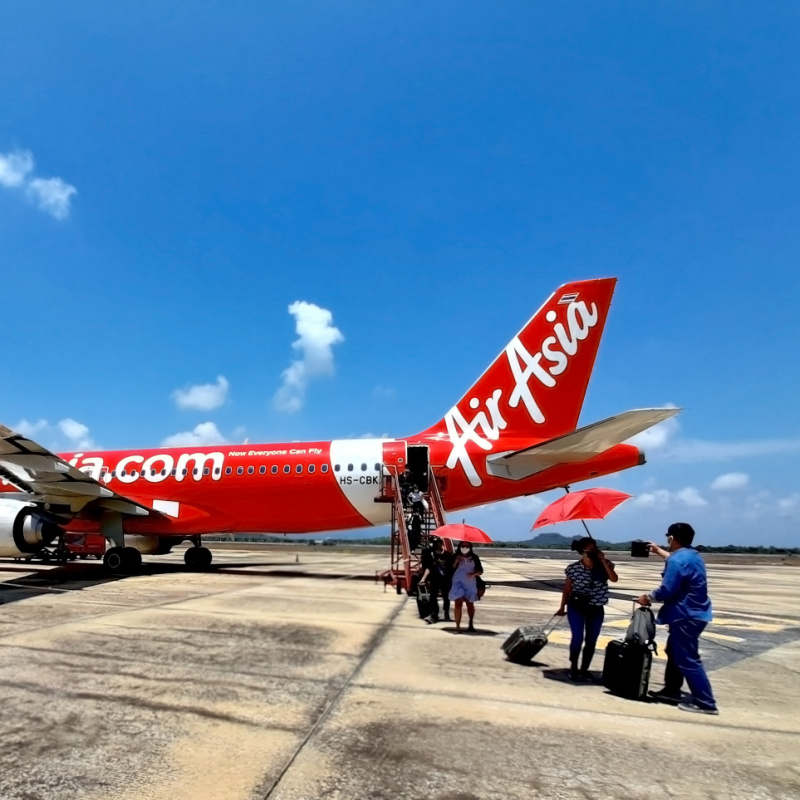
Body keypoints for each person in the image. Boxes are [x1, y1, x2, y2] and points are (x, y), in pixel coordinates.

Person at [637, 522, 718, 715]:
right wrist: (658, 551)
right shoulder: (693, 555)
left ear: (671, 538)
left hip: (686, 614)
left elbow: (667, 589)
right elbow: (677, 562)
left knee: (688, 658)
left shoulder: (677, 560)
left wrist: (647, 598)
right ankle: (671, 690)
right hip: (696, 612)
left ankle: (706, 702)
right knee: (673, 651)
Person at [557, 536, 618, 681]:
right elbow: (567, 589)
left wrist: (603, 560)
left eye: (594, 548)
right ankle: (573, 666)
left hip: (596, 606)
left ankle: (584, 669)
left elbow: (614, 578)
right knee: (577, 637)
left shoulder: (605, 565)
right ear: (582, 551)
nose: (591, 551)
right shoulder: (573, 568)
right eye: (588, 549)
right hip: (577, 605)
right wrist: (562, 607)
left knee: (591, 639)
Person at [449, 540, 483, 633]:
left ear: (470, 547)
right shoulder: (455, 556)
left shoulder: (474, 557)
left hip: (470, 583)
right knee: (458, 603)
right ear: (460, 546)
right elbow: (449, 568)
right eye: (463, 546)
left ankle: (471, 623)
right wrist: (455, 562)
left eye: (467, 546)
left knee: (470, 603)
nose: (465, 548)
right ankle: (457, 626)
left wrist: (474, 573)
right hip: (458, 582)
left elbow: (480, 570)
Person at [418, 537, 454, 624]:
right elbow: (429, 568)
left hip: (446, 580)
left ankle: (446, 613)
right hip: (435, 579)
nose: (437, 545)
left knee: (446, 597)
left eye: (438, 543)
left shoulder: (448, 555)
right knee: (433, 597)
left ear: (441, 544)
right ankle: (434, 615)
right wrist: (423, 579)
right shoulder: (432, 555)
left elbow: (452, 569)